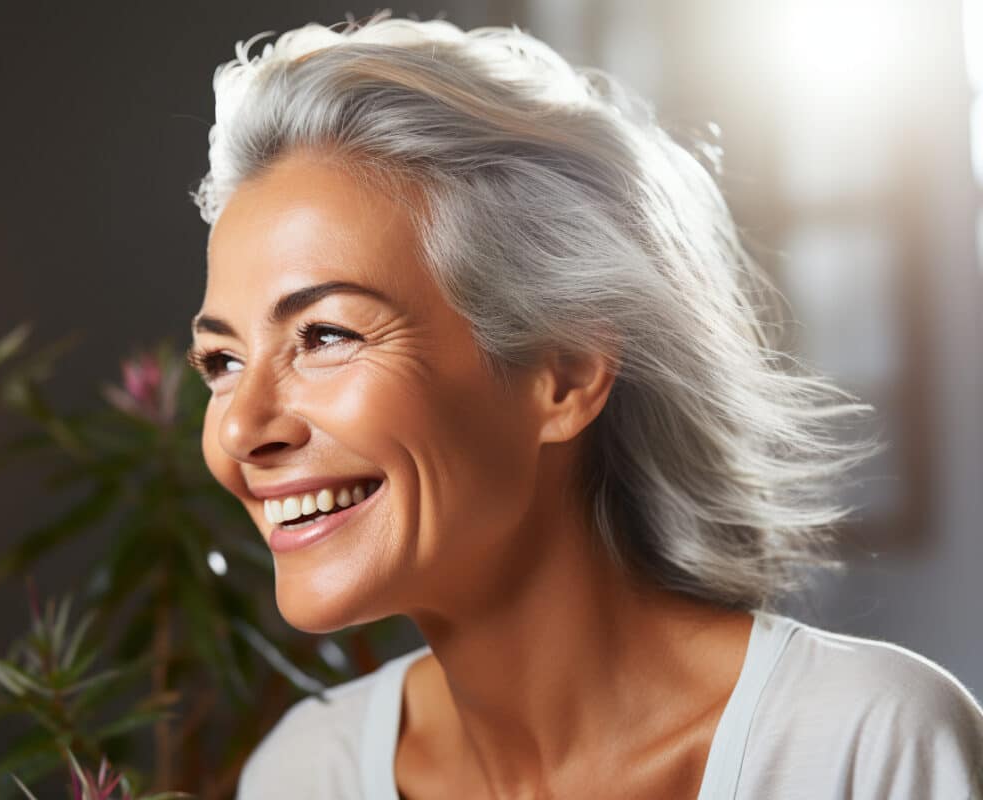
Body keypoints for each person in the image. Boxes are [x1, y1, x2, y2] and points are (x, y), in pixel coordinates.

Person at [185, 13, 983, 799]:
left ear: (562, 374)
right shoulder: (304, 777)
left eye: (324, 335)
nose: (240, 430)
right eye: (222, 361)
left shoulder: (867, 749)